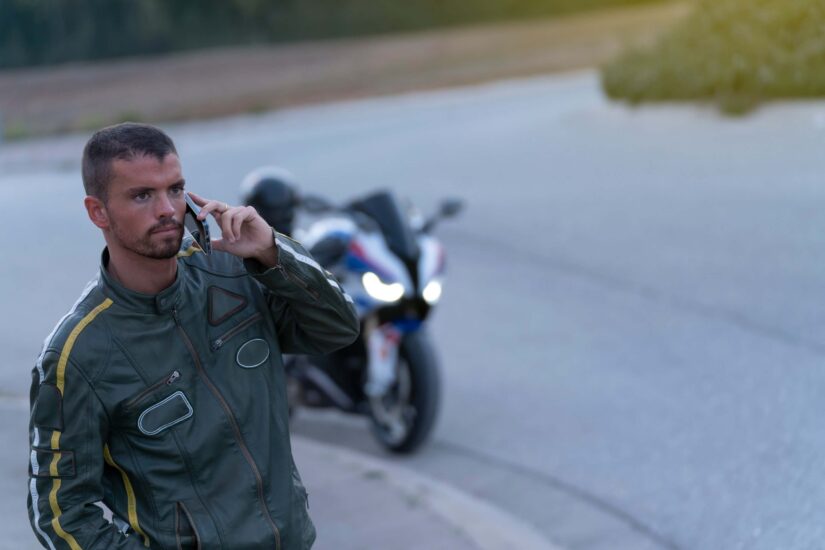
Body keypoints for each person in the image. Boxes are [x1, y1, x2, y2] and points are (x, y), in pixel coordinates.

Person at [27, 123, 359, 549]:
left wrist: (273, 252)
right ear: (98, 212)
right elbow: (60, 513)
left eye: (176, 188)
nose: (167, 209)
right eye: (142, 195)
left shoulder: (235, 272)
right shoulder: (77, 354)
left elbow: (339, 327)